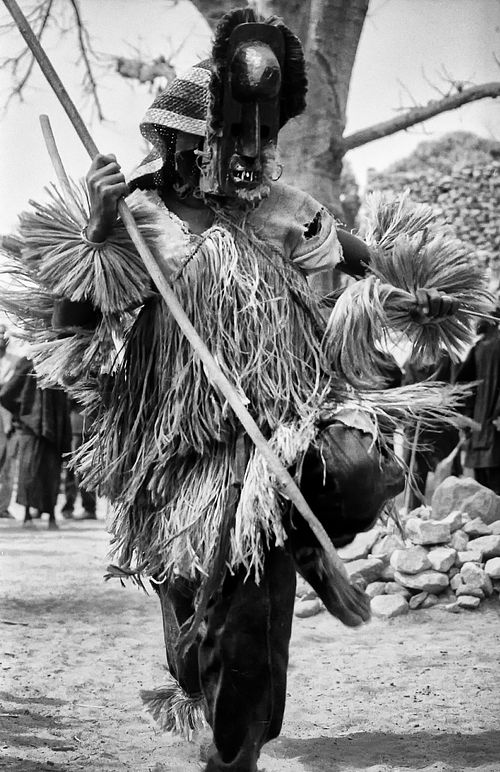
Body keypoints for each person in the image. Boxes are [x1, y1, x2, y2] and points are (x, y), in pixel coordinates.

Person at [2, 9, 469, 770]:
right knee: (198, 636)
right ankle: (201, 674)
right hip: (181, 462)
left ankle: (236, 752)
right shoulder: (141, 217)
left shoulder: (286, 213)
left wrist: (420, 296)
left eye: (264, 139)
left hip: (282, 442)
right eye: (233, 138)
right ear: (184, 145)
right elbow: (70, 323)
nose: (253, 154)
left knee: (342, 493)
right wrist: (96, 229)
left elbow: (374, 264)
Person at [0, 357, 71, 529]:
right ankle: (30, 516)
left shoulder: (57, 359)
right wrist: (23, 412)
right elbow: (7, 394)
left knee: (46, 472)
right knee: (31, 472)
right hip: (32, 427)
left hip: (49, 426)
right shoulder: (30, 361)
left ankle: (47, 516)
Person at [456, 315, 500, 493]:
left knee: (485, 491)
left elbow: (462, 384)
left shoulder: (478, 348)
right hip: (494, 429)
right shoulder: (482, 347)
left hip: (480, 430)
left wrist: (466, 416)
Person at [61, 398, 97, 520]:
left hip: (80, 427)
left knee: (80, 470)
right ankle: (73, 506)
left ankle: (87, 507)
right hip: (81, 426)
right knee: (77, 469)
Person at [0, 324, 21, 518]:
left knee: (8, 463)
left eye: (3, 334)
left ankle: (3, 506)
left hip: (8, 418)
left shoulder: (15, 362)